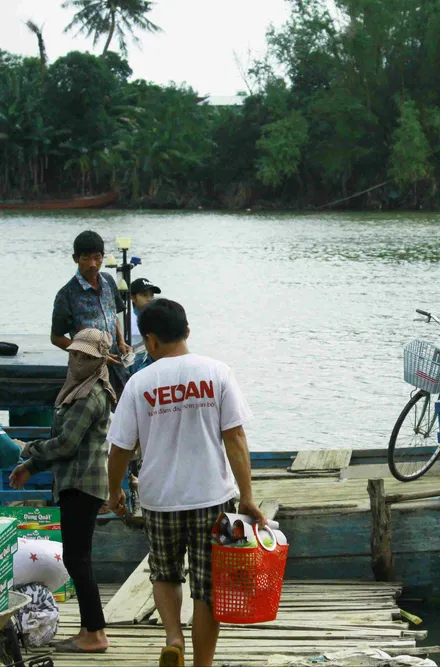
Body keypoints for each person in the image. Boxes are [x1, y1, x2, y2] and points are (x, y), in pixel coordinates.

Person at [105, 299, 265, 667]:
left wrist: (114, 492)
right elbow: (235, 438)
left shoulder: (138, 383)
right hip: (212, 497)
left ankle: (173, 637)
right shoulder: (217, 372)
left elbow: (120, 449)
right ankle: (202, 664)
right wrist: (248, 497)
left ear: (150, 341)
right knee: (208, 590)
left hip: (160, 499)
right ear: (188, 332)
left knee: (165, 573)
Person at [9, 328, 116, 654]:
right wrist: (31, 467)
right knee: (77, 558)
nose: (78, 361)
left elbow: (66, 444)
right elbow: (65, 448)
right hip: (74, 482)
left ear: (98, 361)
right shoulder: (77, 391)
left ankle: (95, 633)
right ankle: (89, 629)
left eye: (86, 357)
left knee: (77, 559)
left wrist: (29, 449)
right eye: (74, 354)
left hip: (83, 485)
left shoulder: (89, 396)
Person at [51, 231, 131, 396]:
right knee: (94, 415)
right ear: (76, 259)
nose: (93, 264)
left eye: (97, 257)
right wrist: (92, 355)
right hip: (87, 373)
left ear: (103, 256)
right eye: (86, 259)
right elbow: (56, 338)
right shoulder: (66, 295)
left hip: (115, 364)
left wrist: (121, 342)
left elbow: (112, 315)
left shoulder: (108, 281)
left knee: (124, 412)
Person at [129, 277, 162, 372]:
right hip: (136, 365)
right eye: (144, 295)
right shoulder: (128, 319)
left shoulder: (158, 316)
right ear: (133, 297)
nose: (149, 299)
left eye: (151, 295)